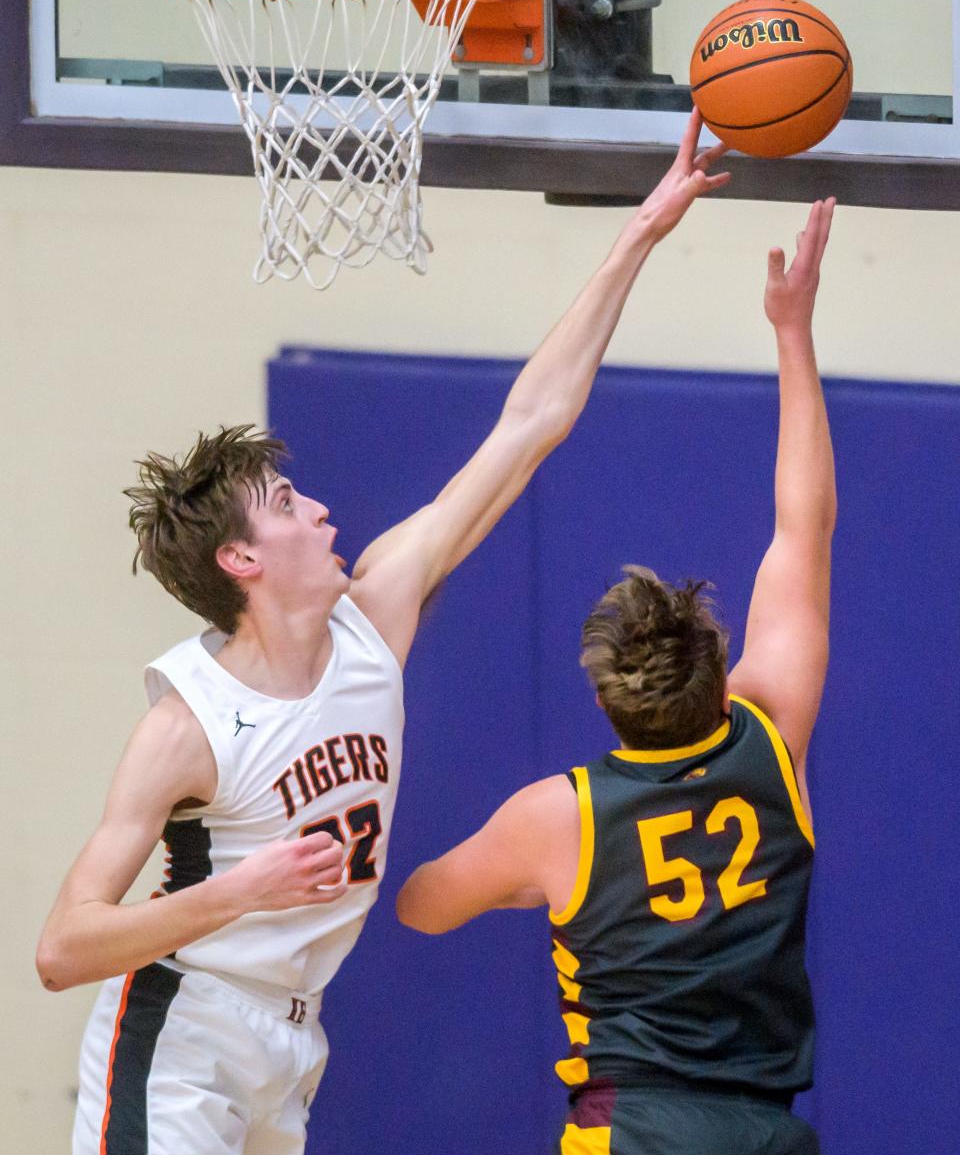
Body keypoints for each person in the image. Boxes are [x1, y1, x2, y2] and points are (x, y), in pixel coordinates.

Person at [35, 113, 729, 1155]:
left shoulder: (373, 615)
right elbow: (63, 947)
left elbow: (527, 425)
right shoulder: (187, 725)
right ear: (241, 561)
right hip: (181, 1035)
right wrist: (236, 891)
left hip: (294, 1041)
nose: (317, 509)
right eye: (285, 502)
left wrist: (642, 229)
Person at [396, 198, 837, 1155]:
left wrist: (529, 884)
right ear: (725, 682)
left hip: (630, 1129)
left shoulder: (556, 818)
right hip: (768, 1134)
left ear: (602, 703)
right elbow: (805, 525)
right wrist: (793, 332)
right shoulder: (771, 737)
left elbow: (421, 907)